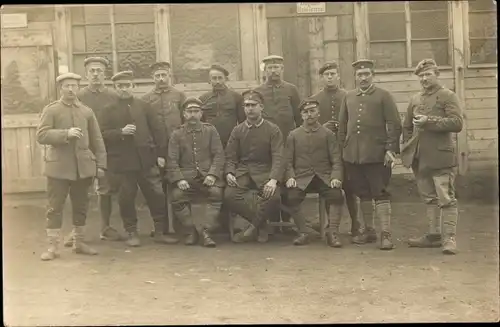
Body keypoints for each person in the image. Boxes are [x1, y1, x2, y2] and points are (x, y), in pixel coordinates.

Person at [100, 71, 177, 247]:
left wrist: (160, 155)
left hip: (146, 159)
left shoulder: (144, 106)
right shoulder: (108, 110)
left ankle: (159, 231)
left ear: (133, 87)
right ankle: (131, 232)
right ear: (115, 88)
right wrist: (120, 132)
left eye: (127, 85)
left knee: (156, 194)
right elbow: (102, 134)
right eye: (120, 86)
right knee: (127, 197)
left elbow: (157, 130)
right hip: (123, 162)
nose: (124, 89)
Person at [36, 72, 106, 261]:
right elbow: (41, 135)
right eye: (67, 86)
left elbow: (97, 141)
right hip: (58, 168)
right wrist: (65, 133)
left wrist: (101, 166)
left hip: (82, 168)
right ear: (60, 88)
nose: (70, 89)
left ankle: (79, 242)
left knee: (81, 206)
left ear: (78, 88)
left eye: (74, 86)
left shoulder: (86, 111)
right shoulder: (51, 110)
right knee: (54, 206)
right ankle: (52, 247)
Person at [338, 59, 402, 250]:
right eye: (360, 75)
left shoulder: (384, 96)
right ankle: (369, 231)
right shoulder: (348, 96)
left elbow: (395, 124)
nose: (363, 78)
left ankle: (386, 234)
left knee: (380, 193)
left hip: (376, 155)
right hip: (353, 156)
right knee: (362, 193)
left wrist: (390, 150)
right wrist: (344, 149)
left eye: (367, 74)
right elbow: (342, 126)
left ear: (373, 75)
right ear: (355, 77)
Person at [401, 59, 463, 255]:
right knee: (429, 198)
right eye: (421, 76)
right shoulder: (415, 99)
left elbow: (456, 123)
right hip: (421, 159)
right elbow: (407, 127)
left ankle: (449, 238)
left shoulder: (448, 96)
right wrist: (408, 149)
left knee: (446, 198)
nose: (424, 78)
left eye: (428, 74)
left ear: (437, 74)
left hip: (441, 158)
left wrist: (430, 121)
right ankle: (434, 235)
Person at [63, 57, 122, 247]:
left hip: (108, 149)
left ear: (105, 74)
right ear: (87, 74)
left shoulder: (114, 95)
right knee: (81, 191)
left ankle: (105, 227)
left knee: (105, 189)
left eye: (99, 71)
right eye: (92, 71)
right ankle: (76, 231)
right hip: (84, 149)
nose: (96, 74)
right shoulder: (78, 95)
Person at [224, 90, 284, 243]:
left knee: (274, 197)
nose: (249, 109)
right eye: (246, 106)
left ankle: (251, 230)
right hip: (243, 172)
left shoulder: (272, 129)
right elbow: (230, 156)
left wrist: (273, 179)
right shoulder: (237, 130)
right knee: (230, 195)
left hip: (265, 172)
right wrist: (229, 172)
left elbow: (278, 157)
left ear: (261, 107)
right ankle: (261, 225)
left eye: (253, 105)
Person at [283, 99, 345, 247]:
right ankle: (304, 232)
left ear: (318, 113)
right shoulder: (293, 135)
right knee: (291, 196)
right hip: (302, 177)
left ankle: (332, 232)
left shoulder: (328, 134)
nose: (309, 115)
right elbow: (287, 161)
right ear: (301, 115)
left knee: (337, 194)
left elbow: (336, 159)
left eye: (312, 111)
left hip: (323, 177)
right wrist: (290, 176)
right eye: (305, 112)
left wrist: (336, 177)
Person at [310, 60, 361, 237]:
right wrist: (322, 126)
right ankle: (330, 226)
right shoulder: (315, 99)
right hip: (325, 151)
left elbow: (356, 121)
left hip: (345, 147)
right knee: (329, 186)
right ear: (321, 78)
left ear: (338, 76)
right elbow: (310, 125)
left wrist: (343, 127)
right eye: (326, 74)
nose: (330, 77)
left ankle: (356, 224)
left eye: (333, 74)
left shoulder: (349, 96)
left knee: (349, 187)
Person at [167, 98, 225, 247]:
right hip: (186, 178)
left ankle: (206, 232)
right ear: (184, 114)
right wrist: (179, 179)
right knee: (177, 197)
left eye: (196, 111)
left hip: (207, 176)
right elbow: (172, 160)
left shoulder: (211, 130)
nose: (193, 114)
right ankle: (191, 231)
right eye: (189, 111)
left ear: (201, 114)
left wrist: (212, 174)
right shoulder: (177, 134)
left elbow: (219, 155)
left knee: (216, 194)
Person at [253, 55, 302, 230]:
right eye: (270, 68)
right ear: (265, 70)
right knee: (271, 177)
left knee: (288, 179)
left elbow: (299, 117)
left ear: (282, 69)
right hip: (267, 144)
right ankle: (272, 221)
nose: (273, 71)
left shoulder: (291, 89)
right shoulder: (258, 91)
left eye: (277, 67)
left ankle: (287, 220)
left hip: (288, 141)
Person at [142, 61, 187, 236]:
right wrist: (156, 153)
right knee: (157, 190)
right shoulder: (146, 99)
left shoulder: (179, 96)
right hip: (157, 151)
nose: (161, 79)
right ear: (152, 78)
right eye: (157, 76)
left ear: (170, 76)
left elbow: (186, 123)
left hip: (178, 149)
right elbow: (145, 127)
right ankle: (160, 227)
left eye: (164, 75)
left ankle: (181, 225)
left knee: (179, 186)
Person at [199, 64, 245, 147]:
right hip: (209, 141)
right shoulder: (203, 98)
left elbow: (242, 122)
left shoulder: (236, 97)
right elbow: (200, 123)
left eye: (220, 78)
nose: (217, 81)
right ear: (209, 80)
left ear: (225, 79)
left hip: (231, 140)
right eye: (214, 78)